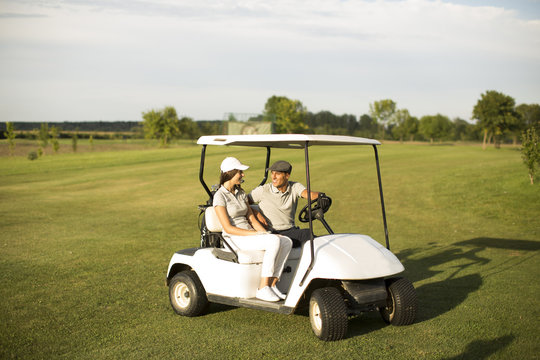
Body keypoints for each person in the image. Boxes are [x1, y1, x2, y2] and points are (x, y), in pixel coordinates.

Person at [213, 157, 293, 302]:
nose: (243, 175)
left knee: (286, 241)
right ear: (230, 173)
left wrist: (264, 233)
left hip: (248, 235)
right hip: (234, 238)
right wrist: (254, 234)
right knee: (273, 242)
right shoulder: (219, 196)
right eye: (240, 172)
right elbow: (228, 228)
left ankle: (272, 285)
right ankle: (262, 289)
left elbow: (252, 219)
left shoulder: (241, 193)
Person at [249, 160, 331, 248]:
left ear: (287, 176)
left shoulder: (294, 187)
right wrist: (255, 212)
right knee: (306, 234)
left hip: (291, 230)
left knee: (312, 237)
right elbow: (243, 203)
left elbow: (309, 194)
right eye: (272, 173)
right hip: (273, 233)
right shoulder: (263, 190)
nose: (273, 177)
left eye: (277, 174)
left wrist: (320, 196)